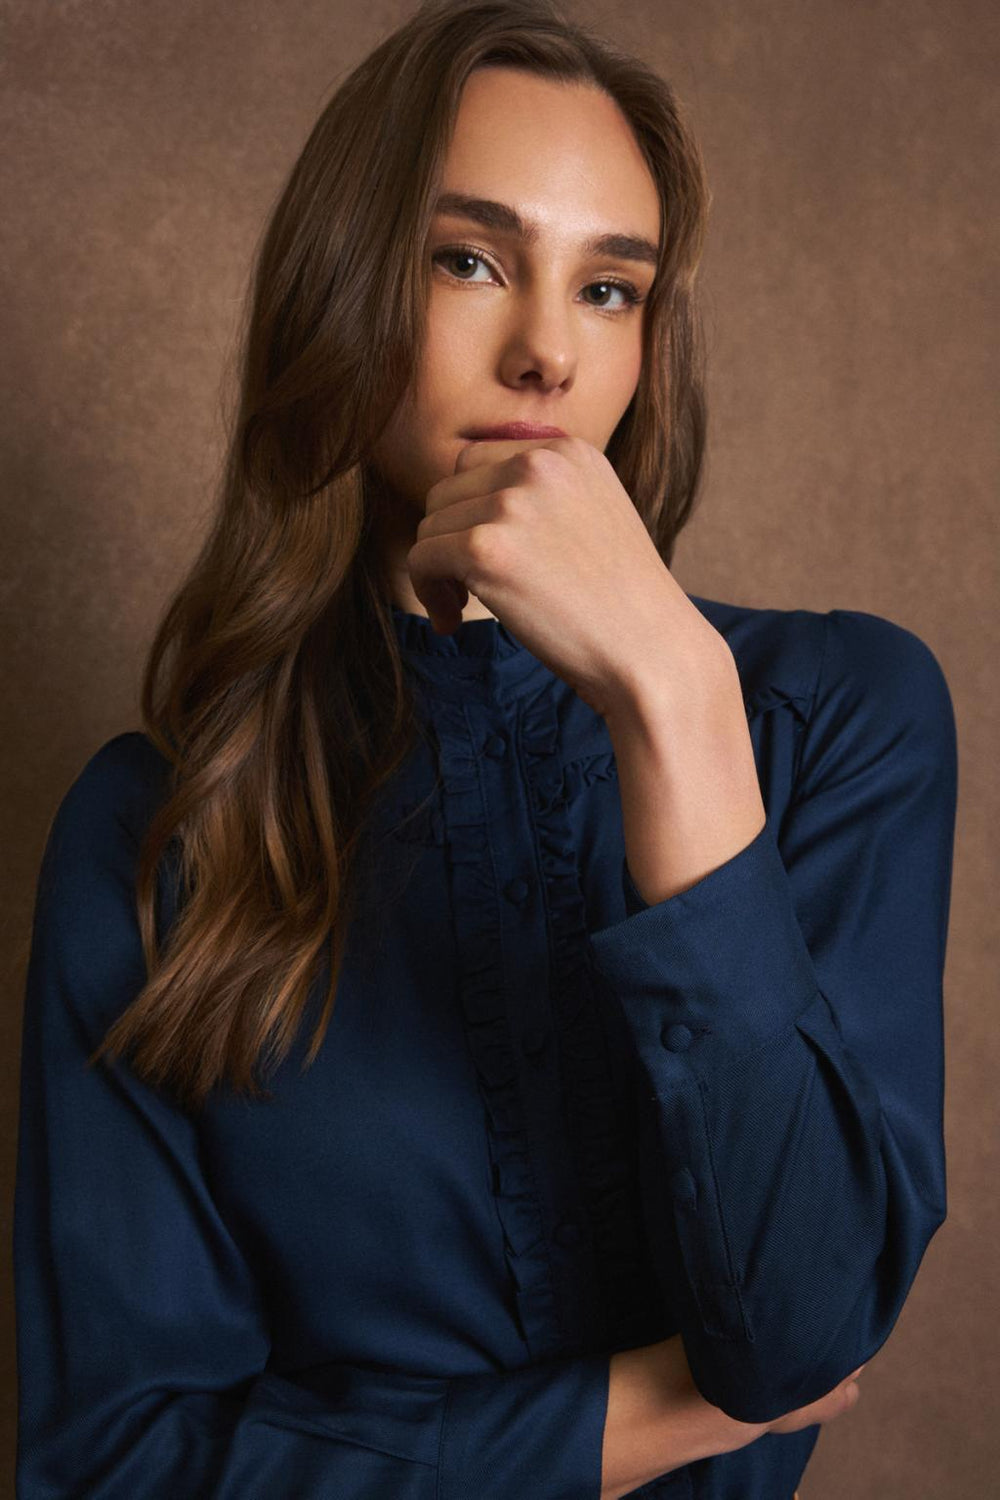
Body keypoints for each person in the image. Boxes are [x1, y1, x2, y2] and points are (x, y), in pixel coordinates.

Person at [13, 1, 958, 1496]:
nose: (545, 356)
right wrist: (634, 1423)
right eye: (470, 259)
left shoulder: (829, 715)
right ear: (345, 286)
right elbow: (113, 1463)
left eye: (609, 289)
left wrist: (671, 699)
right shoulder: (156, 833)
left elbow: (797, 1336)